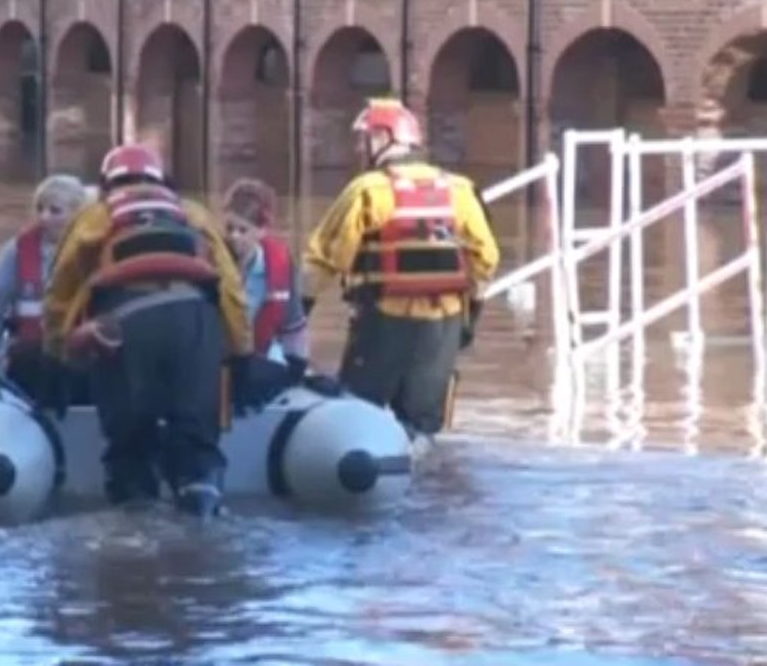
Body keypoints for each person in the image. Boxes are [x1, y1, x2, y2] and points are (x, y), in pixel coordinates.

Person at [40, 144, 264, 517]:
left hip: (125, 327)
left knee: (130, 442)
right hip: (196, 323)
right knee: (195, 439)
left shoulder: (94, 217)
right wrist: (241, 354)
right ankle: (202, 512)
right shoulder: (194, 215)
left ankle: (136, 522)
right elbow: (231, 292)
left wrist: (56, 355)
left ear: (106, 183)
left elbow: (59, 294)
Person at [302, 97, 500, 440]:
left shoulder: (368, 190)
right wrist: (472, 318)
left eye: (364, 139)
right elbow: (486, 259)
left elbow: (325, 257)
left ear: (381, 139)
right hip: (444, 327)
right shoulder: (461, 190)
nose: (360, 148)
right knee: (424, 431)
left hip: (383, 321)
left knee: (359, 418)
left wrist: (298, 311)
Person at [0, 174, 93, 399]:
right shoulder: (17, 251)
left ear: (78, 214)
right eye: (40, 209)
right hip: (31, 358)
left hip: (77, 358)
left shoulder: (92, 251)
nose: (44, 217)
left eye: (55, 211)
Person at [221, 178, 310, 372]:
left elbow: (293, 326)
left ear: (261, 231)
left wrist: (298, 369)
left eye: (243, 230)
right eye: (229, 228)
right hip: (218, 361)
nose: (234, 236)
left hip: (260, 358)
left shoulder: (280, 265)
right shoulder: (213, 262)